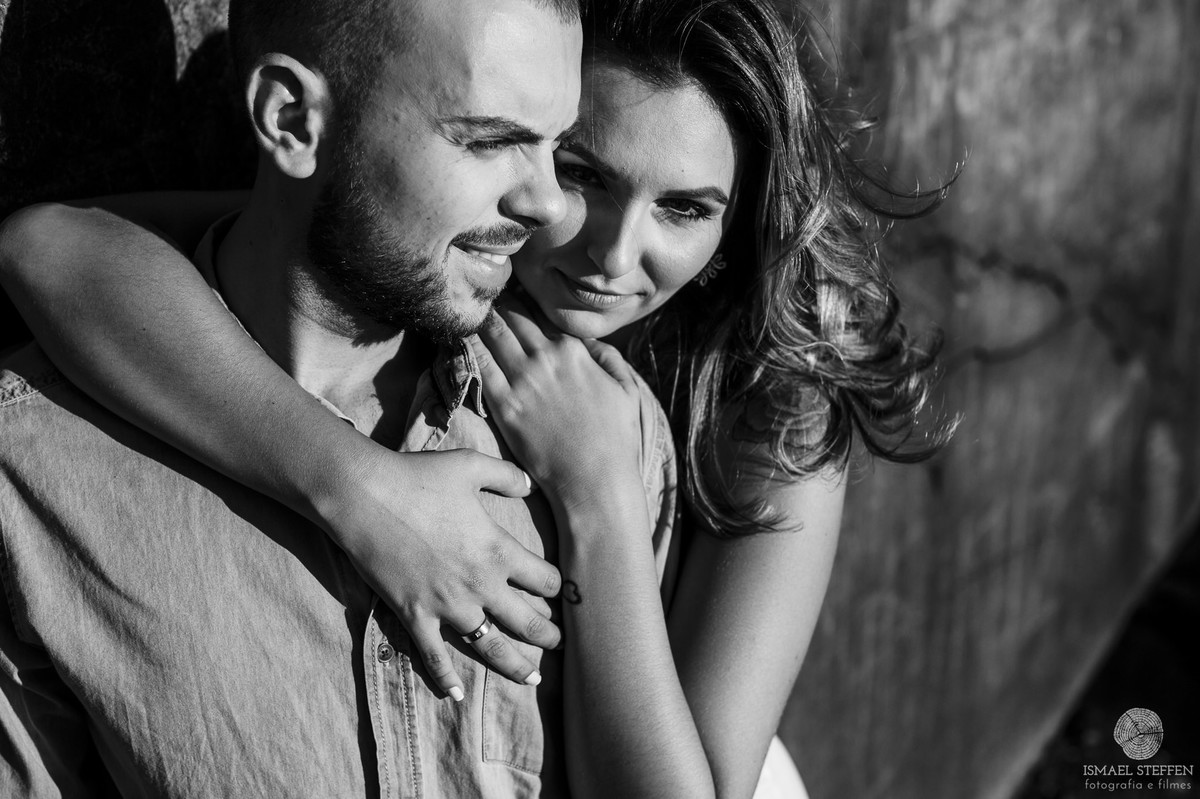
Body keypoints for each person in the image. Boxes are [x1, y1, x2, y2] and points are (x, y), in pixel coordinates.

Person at [0, 0, 952, 797]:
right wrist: (359, 486)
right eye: (574, 166)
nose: (610, 256)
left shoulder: (763, 409)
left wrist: (602, 501)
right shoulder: (426, 254)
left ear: (736, 226)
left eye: (686, 208)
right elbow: (52, 247)